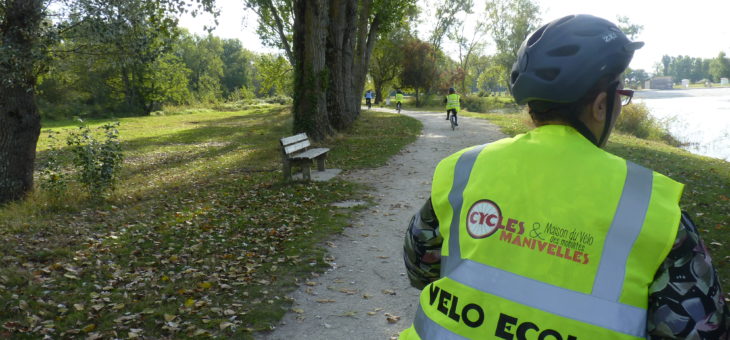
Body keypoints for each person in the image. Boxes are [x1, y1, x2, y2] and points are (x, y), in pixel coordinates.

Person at [400, 14, 728, 340]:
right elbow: (700, 330)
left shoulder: (464, 168)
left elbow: (420, 264)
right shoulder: (651, 209)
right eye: (621, 96)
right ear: (601, 105)